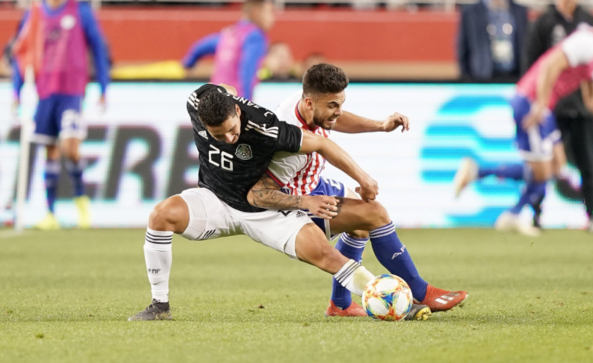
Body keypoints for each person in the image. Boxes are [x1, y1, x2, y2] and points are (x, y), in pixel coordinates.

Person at [128, 83, 386, 321]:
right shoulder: (196, 102)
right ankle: (159, 306)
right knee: (160, 215)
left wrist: (363, 179)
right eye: (218, 135)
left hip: (265, 209)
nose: (229, 139)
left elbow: (320, 144)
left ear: (237, 112)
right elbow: (223, 89)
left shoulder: (267, 127)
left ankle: (386, 297)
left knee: (325, 255)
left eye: (231, 130)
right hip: (215, 200)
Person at [247, 64, 468, 317]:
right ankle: (421, 291)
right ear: (309, 103)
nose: (338, 112)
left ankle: (340, 305)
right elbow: (263, 192)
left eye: (340, 103)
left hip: (313, 183)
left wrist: (381, 125)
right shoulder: (291, 140)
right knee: (375, 213)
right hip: (296, 203)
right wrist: (362, 179)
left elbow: (335, 121)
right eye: (332, 105)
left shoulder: (301, 103)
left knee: (361, 225)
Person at [455, 22, 593, 235]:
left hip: (544, 106)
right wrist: (540, 104)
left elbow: (591, 103)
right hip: (532, 101)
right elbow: (550, 65)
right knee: (542, 171)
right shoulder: (587, 41)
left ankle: (487, 182)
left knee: (556, 165)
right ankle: (502, 201)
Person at [11, 0, 110, 230]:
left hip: (72, 91)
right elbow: (22, 52)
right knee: (50, 150)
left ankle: (80, 199)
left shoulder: (79, 10)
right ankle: (50, 212)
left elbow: (98, 47)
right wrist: (16, 91)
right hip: (45, 91)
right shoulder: (35, 13)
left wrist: (104, 86)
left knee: (70, 148)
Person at [522, 0, 593, 231]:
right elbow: (537, 61)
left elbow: (590, 80)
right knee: (544, 160)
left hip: (580, 109)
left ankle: (591, 214)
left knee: (587, 163)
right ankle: (536, 213)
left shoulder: (586, 20)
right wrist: (539, 102)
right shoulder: (545, 21)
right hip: (553, 107)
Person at [181, 0, 274, 100]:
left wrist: (188, 63)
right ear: (256, 12)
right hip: (234, 100)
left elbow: (199, 47)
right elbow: (247, 72)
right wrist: (247, 105)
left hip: (214, 98)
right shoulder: (255, 37)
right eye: (269, 12)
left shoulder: (230, 33)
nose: (273, 18)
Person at [457, 0, 528, 82]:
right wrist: (467, 79)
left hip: (514, 76)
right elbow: (463, 48)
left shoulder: (519, 11)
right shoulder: (471, 12)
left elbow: (526, 45)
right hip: (482, 77)